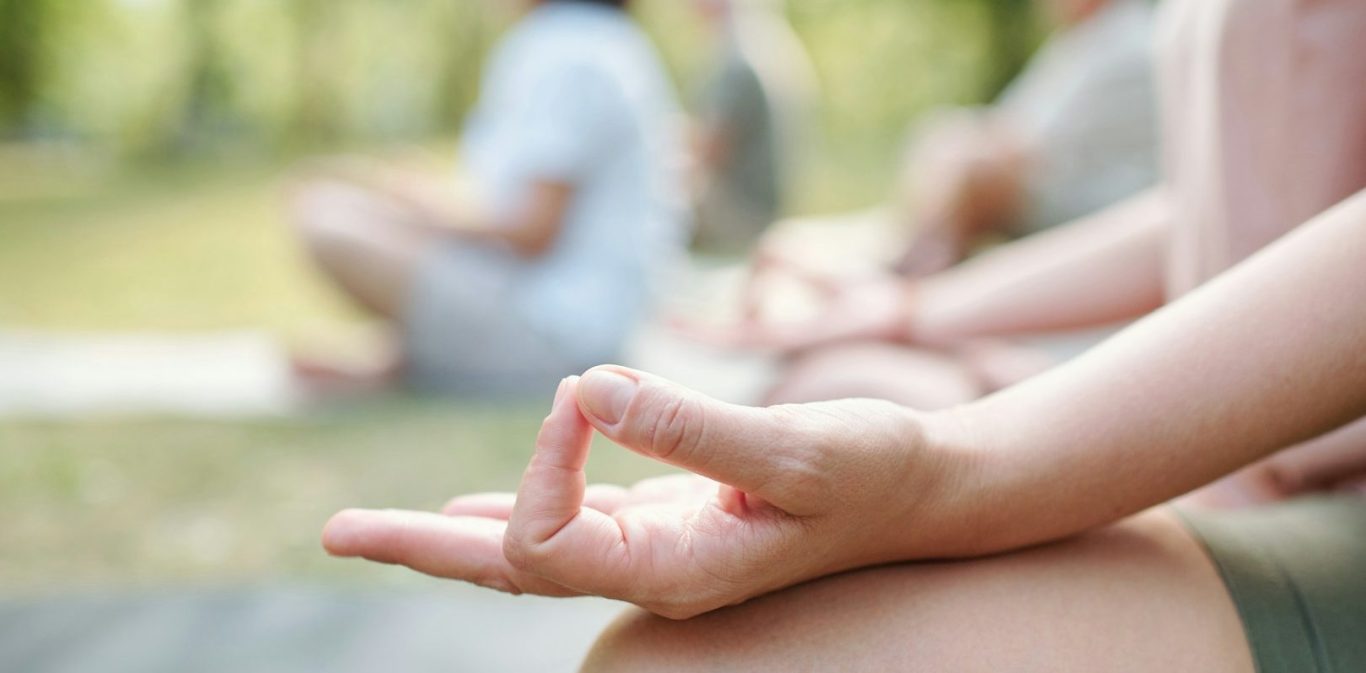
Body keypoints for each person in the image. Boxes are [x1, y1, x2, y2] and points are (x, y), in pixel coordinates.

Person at [320, 0, 1366, 671]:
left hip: (1309, 471)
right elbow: (1220, 211)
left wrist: (953, 470)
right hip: (1263, 435)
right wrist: (907, 308)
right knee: (832, 384)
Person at [288, 0, 685, 397]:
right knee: (340, 203)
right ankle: (403, 356)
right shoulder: (598, 40)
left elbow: (534, 232)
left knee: (326, 218)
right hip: (576, 315)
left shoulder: (570, 55)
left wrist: (431, 212)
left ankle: (421, 360)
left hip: (560, 335)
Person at [892, 0, 1159, 276]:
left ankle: (920, 269)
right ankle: (921, 262)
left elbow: (1033, 142)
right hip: (1059, 181)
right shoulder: (1082, 39)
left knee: (966, 161)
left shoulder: (1128, 43)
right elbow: (1013, 121)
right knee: (949, 140)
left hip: (1097, 206)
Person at [687, 0, 816, 255]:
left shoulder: (740, 58)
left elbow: (709, 152)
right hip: (768, 210)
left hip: (740, 216)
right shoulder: (771, 42)